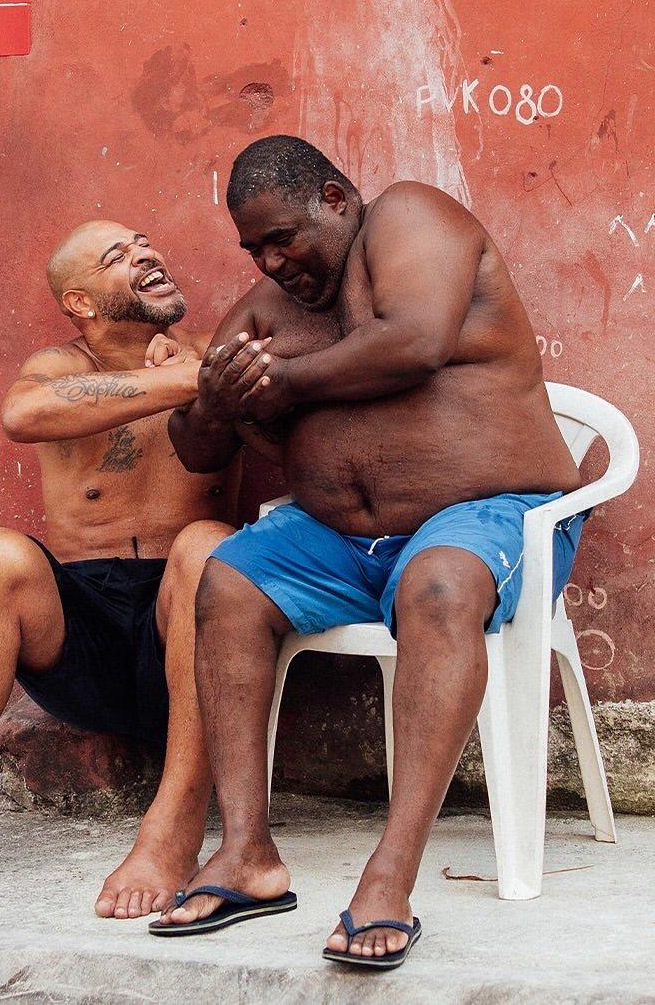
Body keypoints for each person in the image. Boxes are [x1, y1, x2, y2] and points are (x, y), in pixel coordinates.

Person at [160, 136, 583, 967]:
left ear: (334, 198)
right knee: (227, 582)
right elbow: (198, 449)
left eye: (283, 237)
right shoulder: (264, 313)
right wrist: (214, 403)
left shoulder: (410, 217)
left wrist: (283, 383)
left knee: (439, 584)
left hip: (492, 516)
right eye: (254, 249)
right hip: (340, 540)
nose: (272, 261)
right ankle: (246, 855)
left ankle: (390, 876)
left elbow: (415, 341)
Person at [0, 220, 236, 917]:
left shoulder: (214, 354)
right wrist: (179, 383)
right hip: (83, 635)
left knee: (207, 545)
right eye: (117, 256)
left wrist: (205, 375)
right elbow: (22, 414)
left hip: (192, 628)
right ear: (81, 303)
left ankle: (174, 827)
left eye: (143, 243)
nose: (145, 253)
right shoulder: (59, 367)